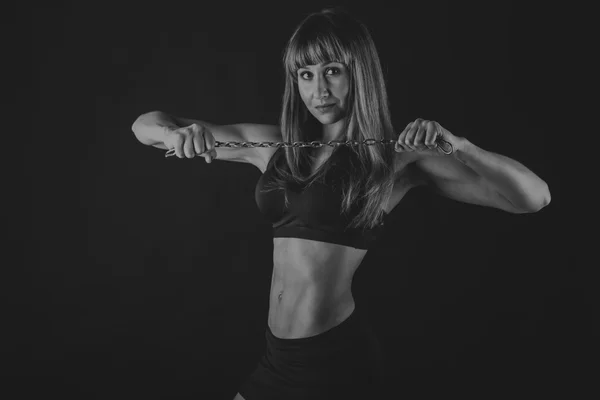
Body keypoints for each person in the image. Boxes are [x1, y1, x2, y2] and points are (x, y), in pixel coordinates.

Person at [131, 7, 551, 400]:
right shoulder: (276, 146)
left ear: (359, 73)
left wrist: (460, 146)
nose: (319, 89)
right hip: (277, 357)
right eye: (306, 74)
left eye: (333, 71)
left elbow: (533, 198)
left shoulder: (393, 160)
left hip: (331, 359)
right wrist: (174, 135)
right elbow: (143, 125)